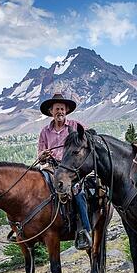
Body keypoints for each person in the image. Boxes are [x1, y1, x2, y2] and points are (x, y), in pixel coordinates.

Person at [37, 92, 93, 250]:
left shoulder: (76, 126)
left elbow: (89, 143)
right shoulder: (44, 132)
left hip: (72, 169)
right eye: (56, 109)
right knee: (36, 189)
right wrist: (43, 155)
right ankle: (33, 227)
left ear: (66, 110)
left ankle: (84, 230)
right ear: (51, 112)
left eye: (62, 108)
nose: (59, 111)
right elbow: (40, 156)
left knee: (78, 192)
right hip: (51, 167)